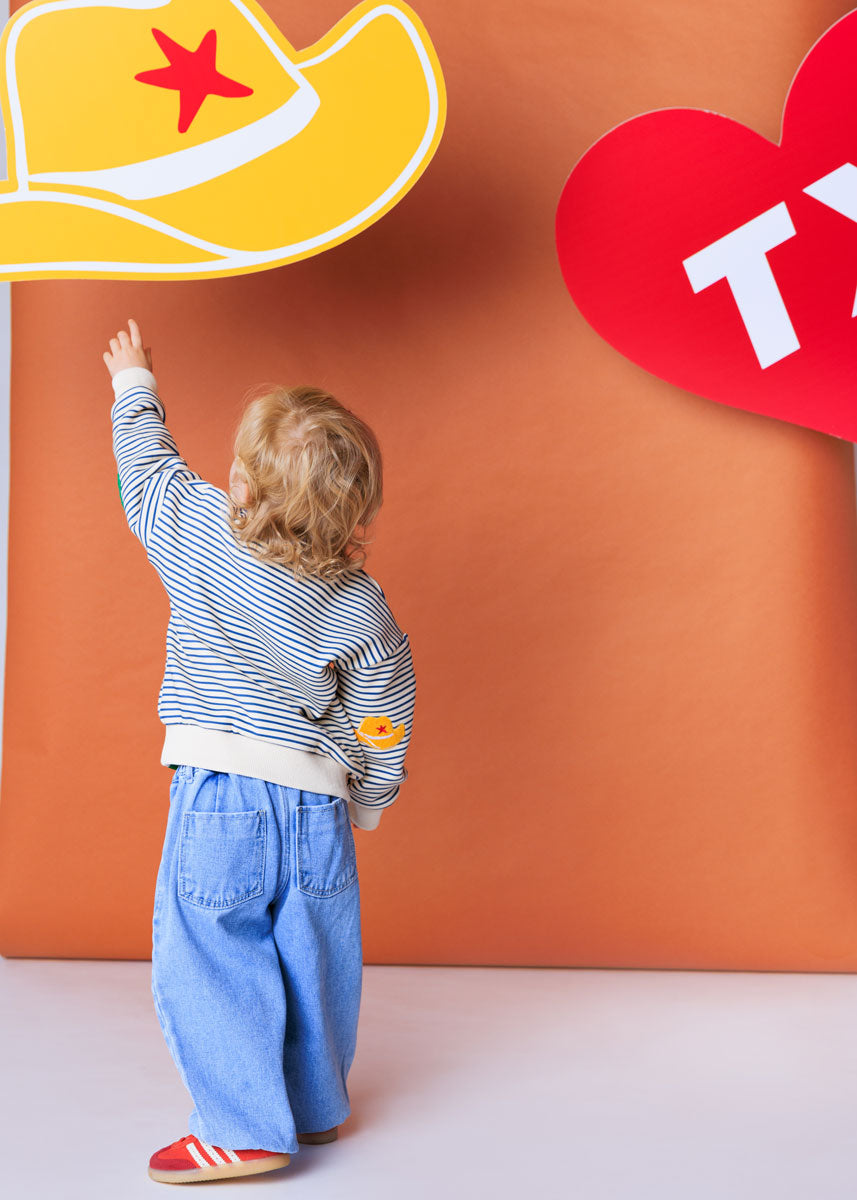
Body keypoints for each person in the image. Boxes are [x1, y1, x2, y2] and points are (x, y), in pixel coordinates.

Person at [104, 318, 415, 1184]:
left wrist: (135, 385)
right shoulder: (362, 606)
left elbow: (148, 474)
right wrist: (373, 793)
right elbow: (385, 707)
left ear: (238, 483)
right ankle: (312, 1106)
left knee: (212, 955)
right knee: (315, 952)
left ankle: (242, 1125)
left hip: (222, 801)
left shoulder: (200, 529)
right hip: (317, 805)